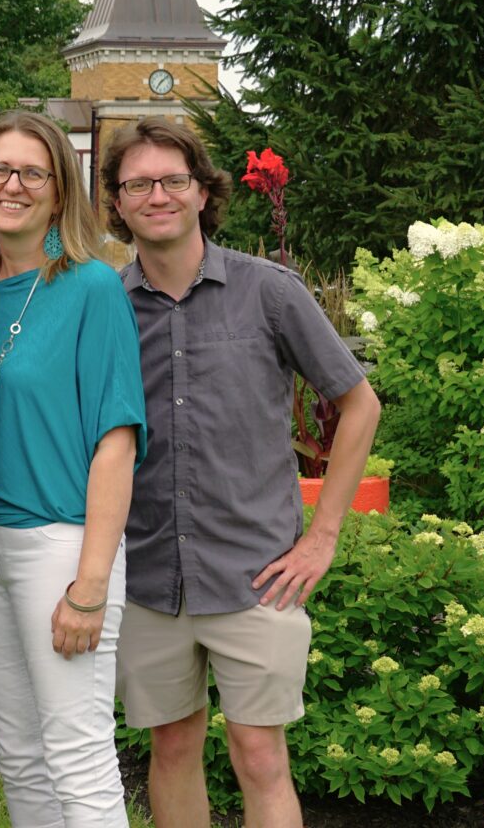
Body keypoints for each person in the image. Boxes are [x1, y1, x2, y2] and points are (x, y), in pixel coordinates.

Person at [101, 118, 381, 828]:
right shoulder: (103, 307)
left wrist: (323, 536)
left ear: (203, 191)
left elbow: (358, 404)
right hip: (149, 574)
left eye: (172, 179)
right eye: (138, 183)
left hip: (256, 574)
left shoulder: (270, 292)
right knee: (170, 747)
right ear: (117, 201)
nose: (156, 194)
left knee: (260, 755)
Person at [0, 110, 145, 827]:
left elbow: (116, 441)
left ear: (60, 191)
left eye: (31, 172)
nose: (11, 184)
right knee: (18, 753)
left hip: (60, 544)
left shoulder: (92, 288)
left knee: (77, 754)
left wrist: (90, 585)